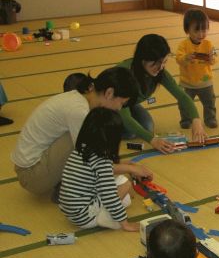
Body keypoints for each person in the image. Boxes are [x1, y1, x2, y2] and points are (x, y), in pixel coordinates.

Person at [11, 66, 144, 199]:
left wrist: (125, 165)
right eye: (121, 103)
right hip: (32, 175)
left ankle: (67, 185)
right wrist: (129, 170)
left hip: (36, 166)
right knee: (86, 142)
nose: (119, 108)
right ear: (109, 93)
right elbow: (93, 161)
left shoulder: (81, 98)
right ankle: (71, 190)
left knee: (89, 141)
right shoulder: (79, 112)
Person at [117, 34, 206, 153]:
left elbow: (181, 96)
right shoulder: (125, 75)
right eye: (156, 63)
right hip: (110, 106)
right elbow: (125, 116)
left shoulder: (160, 72)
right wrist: (152, 140)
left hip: (128, 104)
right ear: (142, 60)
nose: (160, 68)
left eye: (164, 62)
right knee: (130, 132)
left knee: (147, 127)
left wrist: (196, 120)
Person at [58, 108, 142, 232]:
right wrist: (125, 224)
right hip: (85, 217)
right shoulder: (101, 161)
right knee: (125, 183)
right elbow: (109, 195)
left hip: (70, 211)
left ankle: (106, 213)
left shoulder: (81, 149)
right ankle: (105, 217)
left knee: (126, 198)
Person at [176, 9, 218, 129]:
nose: (201, 34)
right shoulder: (183, 45)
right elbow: (178, 59)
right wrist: (186, 58)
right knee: (184, 103)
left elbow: (215, 58)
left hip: (205, 81)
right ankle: (186, 119)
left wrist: (211, 59)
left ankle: (210, 118)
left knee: (209, 102)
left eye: (204, 30)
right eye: (196, 30)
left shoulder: (208, 44)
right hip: (187, 82)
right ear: (187, 30)